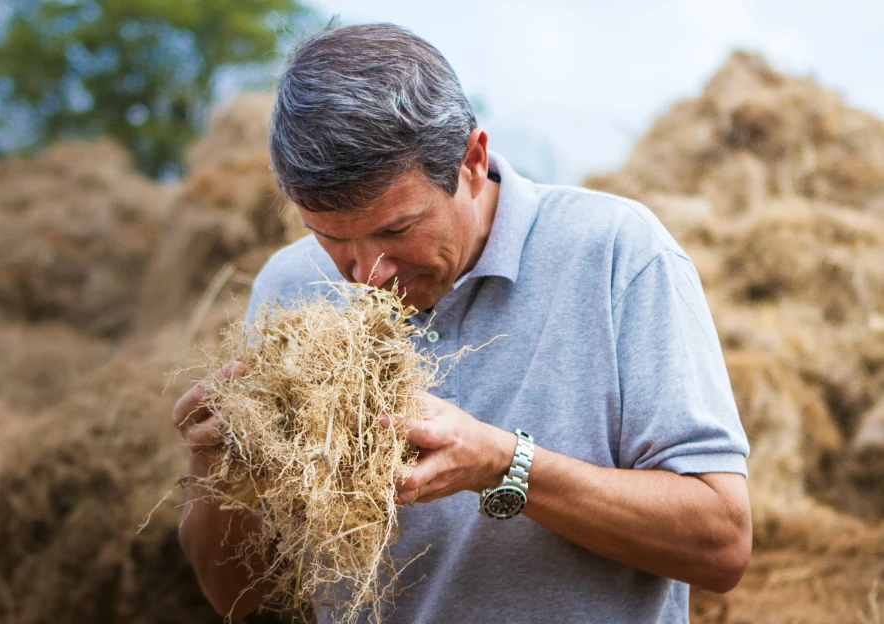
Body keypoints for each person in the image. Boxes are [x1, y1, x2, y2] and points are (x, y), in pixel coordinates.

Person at [173, 22, 751, 623]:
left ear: (471, 161)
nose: (367, 273)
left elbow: (721, 542)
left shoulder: (616, 254)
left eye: (397, 229)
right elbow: (243, 603)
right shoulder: (287, 289)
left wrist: (504, 465)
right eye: (329, 237)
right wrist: (221, 473)